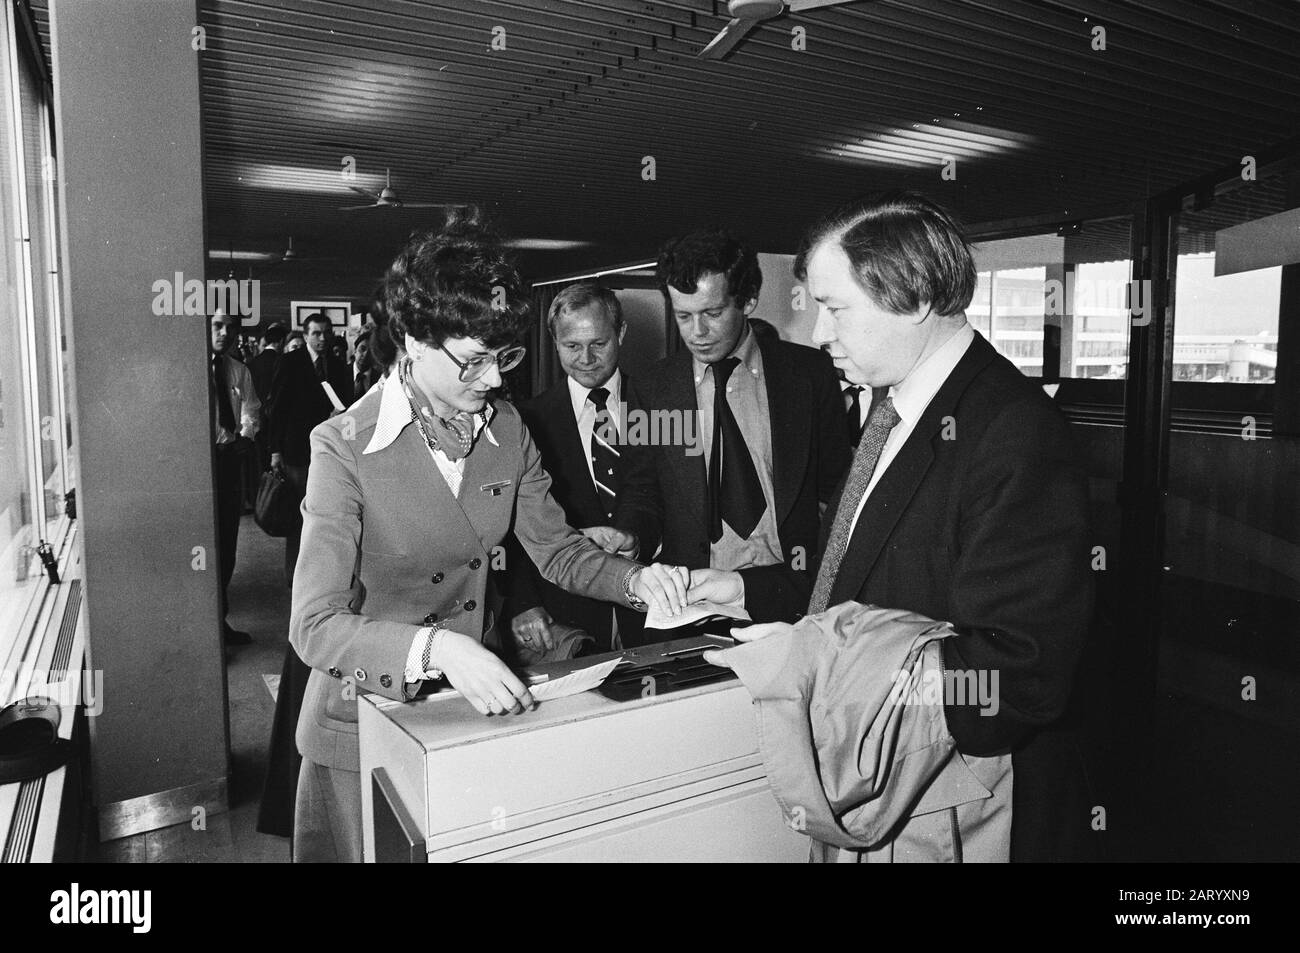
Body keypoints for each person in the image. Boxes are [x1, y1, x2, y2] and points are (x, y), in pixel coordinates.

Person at [696, 191, 1093, 862]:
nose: (818, 334)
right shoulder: (895, 406)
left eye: (834, 307)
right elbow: (855, 578)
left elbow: (1011, 677)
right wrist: (744, 592)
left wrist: (815, 664)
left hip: (951, 804)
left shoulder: (1014, 430)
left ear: (911, 298)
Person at [289, 213, 693, 862]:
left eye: (503, 357)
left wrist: (634, 579)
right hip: (362, 725)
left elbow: (556, 550)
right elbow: (314, 623)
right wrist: (437, 648)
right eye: (474, 361)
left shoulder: (505, 429)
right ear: (415, 342)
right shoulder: (342, 446)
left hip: (466, 713)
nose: (494, 380)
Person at [639, 227, 850, 624]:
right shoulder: (653, 389)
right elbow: (645, 489)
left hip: (791, 599)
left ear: (748, 300)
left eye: (712, 314)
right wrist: (630, 536)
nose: (696, 333)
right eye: (683, 316)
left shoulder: (809, 374)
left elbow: (836, 488)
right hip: (693, 608)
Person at [503, 282, 661, 655]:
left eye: (599, 344)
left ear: (621, 334)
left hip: (652, 611)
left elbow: (670, 495)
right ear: (554, 342)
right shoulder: (526, 421)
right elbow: (506, 523)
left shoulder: (660, 407)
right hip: (562, 615)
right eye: (572, 346)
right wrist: (522, 602)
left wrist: (637, 538)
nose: (586, 358)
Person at [266, 312, 353, 586]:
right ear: (305, 336)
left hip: (330, 452)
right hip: (297, 452)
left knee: (326, 515)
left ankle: (323, 576)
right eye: (316, 333)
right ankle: (296, 578)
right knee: (299, 517)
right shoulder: (290, 362)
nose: (322, 338)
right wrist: (275, 450)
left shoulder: (338, 366)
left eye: (326, 332)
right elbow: (276, 409)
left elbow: (347, 406)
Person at [208, 310, 261, 646]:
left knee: (227, 544)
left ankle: (219, 621)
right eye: (217, 326)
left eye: (230, 328)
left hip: (227, 462)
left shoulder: (238, 371)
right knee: (203, 545)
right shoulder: (190, 369)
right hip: (198, 465)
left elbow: (252, 409)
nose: (223, 333)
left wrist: (245, 436)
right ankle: (206, 626)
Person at [348, 328, 373, 404]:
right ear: (355, 351)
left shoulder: (380, 378)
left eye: (371, 352)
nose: (365, 355)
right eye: (362, 349)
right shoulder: (340, 372)